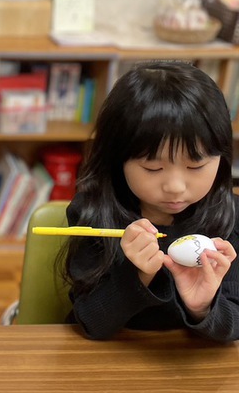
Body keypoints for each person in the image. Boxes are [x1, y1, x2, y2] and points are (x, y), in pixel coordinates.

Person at [59, 61, 239, 341]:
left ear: (222, 158)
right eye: (153, 169)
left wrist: (203, 306)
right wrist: (137, 276)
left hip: (190, 370)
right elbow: (91, 323)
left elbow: (234, 326)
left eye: (195, 166)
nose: (175, 187)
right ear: (118, 160)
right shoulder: (95, 215)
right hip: (108, 365)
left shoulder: (231, 218)